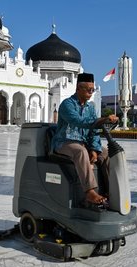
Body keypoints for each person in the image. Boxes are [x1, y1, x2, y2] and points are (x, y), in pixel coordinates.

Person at [51, 73, 119, 205]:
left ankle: (111, 191)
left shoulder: (90, 108)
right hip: (65, 142)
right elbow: (80, 121)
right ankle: (90, 192)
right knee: (80, 152)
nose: (91, 92)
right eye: (88, 89)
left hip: (83, 143)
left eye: (92, 90)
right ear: (78, 88)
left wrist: (94, 149)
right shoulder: (67, 105)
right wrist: (103, 119)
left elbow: (93, 130)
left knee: (105, 153)